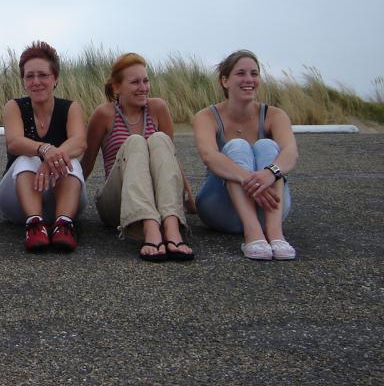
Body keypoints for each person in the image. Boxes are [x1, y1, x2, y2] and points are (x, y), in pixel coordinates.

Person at [81, 53, 195, 262]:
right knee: (135, 142)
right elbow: (86, 165)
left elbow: (169, 158)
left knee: (160, 139)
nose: (143, 87)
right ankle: (150, 229)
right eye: (135, 82)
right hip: (118, 202)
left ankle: (172, 228)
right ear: (117, 87)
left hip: (158, 199)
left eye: (146, 81)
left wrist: (188, 196)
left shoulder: (158, 108)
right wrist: (67, 205)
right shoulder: (104, 114)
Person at [193, 50, 299, 261]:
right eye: (241, 73)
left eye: (254, 74)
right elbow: (209, 156)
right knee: (237, 146)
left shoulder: (274, 115)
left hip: (268, 208)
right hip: (222, 210)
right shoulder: (207, 116)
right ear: (225, 80)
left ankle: (275, 234)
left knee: (267, 145)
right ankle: (253, 234)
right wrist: (248, 178)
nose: (249, 79)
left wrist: (270, 173)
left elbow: (290, 152)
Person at [0, 41, 87, 252]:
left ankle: (64, 224)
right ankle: (34, 225)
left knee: (71, 160)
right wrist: (44, 150)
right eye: (29, 76)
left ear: (55, 78)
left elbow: (79, 142)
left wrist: (50, 160)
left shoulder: (70, 108)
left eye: (43, 75)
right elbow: (14, 142)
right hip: (18, 201)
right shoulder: (14, 106)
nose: (36, 82)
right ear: (23, 81)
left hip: (60, 198)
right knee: (26, 158)